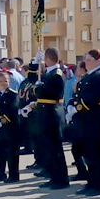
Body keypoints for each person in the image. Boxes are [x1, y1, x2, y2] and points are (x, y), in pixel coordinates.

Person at [72, 50, 100, 196]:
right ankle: (92, 182)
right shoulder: (88, 76)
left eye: (90, 60)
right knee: (89, 152)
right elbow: (79, 94)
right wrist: (74, 105)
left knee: (99, 153)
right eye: (86, 60)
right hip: (88, 118)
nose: (87, 63)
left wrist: (79, 106)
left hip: (99, 118)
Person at [35, 48, 70, 190]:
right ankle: (53, 176)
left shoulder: (56, 74)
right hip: (46, 112)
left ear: (48, 58)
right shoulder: (49, 73)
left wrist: (37, 89)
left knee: (55, 148)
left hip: (52, 112)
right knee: (48, 147)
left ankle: (61, 179)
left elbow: (45, 92)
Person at [0, 71, 20, 183]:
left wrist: (1, 121)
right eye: (0, 81)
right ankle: (0, 173)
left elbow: (13, 110)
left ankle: (13, 175)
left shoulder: (12, 94)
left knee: (11, 152)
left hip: (10, 127)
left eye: (5, 81)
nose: (3, 83)